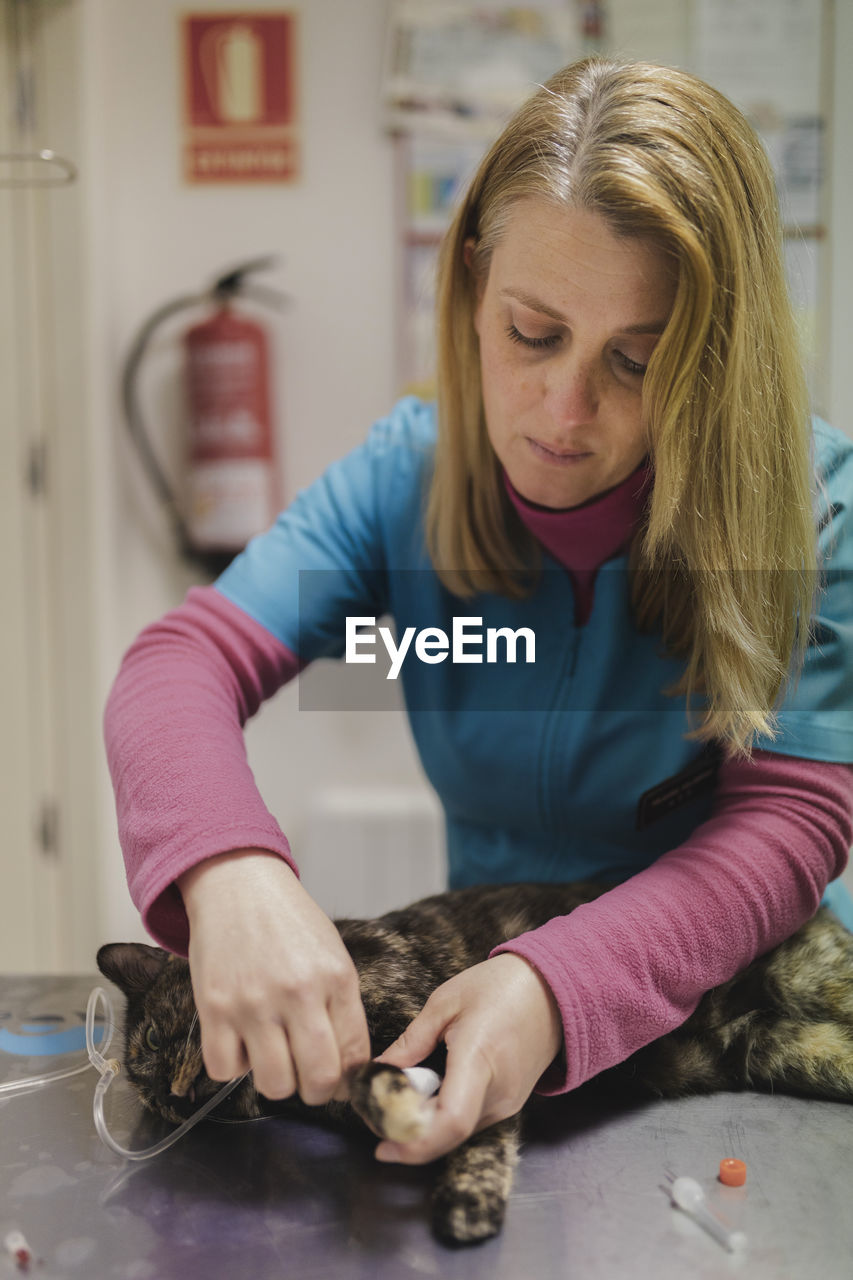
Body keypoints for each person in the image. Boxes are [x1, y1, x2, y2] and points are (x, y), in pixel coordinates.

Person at [105, 57, 853, 1167]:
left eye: (636, 361)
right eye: (531, 332)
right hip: (495, 1031)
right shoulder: (398, 488)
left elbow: (788, 822)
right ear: (468, 288)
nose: (564, 410)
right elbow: (184, 662)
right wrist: (229, 871)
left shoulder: (812, 509)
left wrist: (560, 981)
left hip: (748, 1023)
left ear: (713, 359)